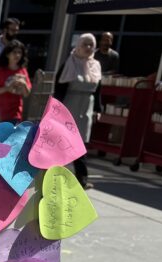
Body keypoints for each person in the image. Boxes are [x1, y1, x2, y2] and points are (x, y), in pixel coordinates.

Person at [58, 34, 102, 189]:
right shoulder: (69, 63)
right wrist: (56, 110)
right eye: (85, 44)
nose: (88, 48)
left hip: (86, 107)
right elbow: (59, 88)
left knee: (80, 144)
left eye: (91, 45)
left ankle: (82, 179)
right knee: (64, 142)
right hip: (70, 106)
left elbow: (98, 90)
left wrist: (98, 109)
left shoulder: (95, 65)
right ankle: (55, 175)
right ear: (78, 45)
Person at [0, 42, 31, 122]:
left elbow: (26, 94)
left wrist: (24, 84)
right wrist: (7, 88)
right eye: (14, 52)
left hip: (15, 114)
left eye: (19, 52)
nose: (17, 55)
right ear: (7, 54)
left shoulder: (23, 71)